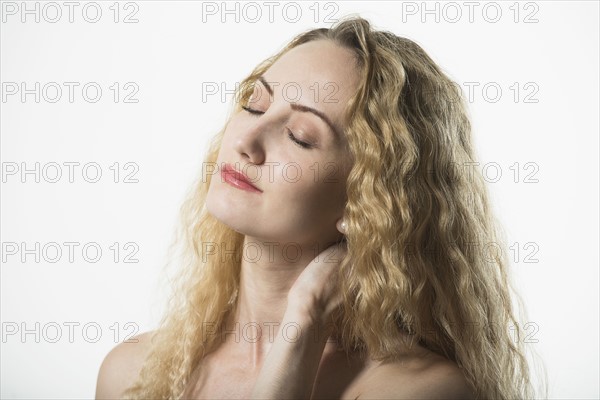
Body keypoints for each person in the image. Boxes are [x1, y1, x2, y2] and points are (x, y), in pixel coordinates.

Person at [96, 16, 544, 399]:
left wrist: (303, 328)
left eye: (300, 136)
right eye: (255, 105)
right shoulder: (131, 374)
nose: (245, 143)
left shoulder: (419, 390)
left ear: (369, 199)